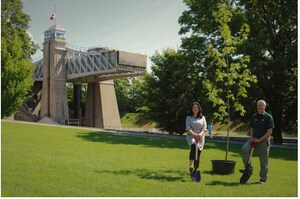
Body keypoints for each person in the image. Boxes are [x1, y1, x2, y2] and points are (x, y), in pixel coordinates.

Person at [240, 100, 275, 184]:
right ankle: (249, 169)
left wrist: (259, 140)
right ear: (257, 106)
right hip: (253, 138)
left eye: (262, 106)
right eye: (259, 105)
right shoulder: (254, 116)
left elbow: (269, 132)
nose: (260, 107)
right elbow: (251, 128)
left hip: (263, 140)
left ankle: (263, 178)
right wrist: (251, 137)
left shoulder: (268, 117)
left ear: (264, 107)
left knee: (263, 160)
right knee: (244, 149)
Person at [185, 102, 207, 172]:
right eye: (194, 107)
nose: (195, 109)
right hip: (191, 135)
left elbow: (204, 128)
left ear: (199, 108)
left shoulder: (202, 117)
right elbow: (188, 128)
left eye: (197, 107)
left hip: (200, 137)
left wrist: (200, 134)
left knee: (198, 152)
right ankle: (191, 164)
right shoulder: (188, 117)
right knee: (194, 147)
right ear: (192, 109)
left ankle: (195, 169)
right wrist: (194, 134)